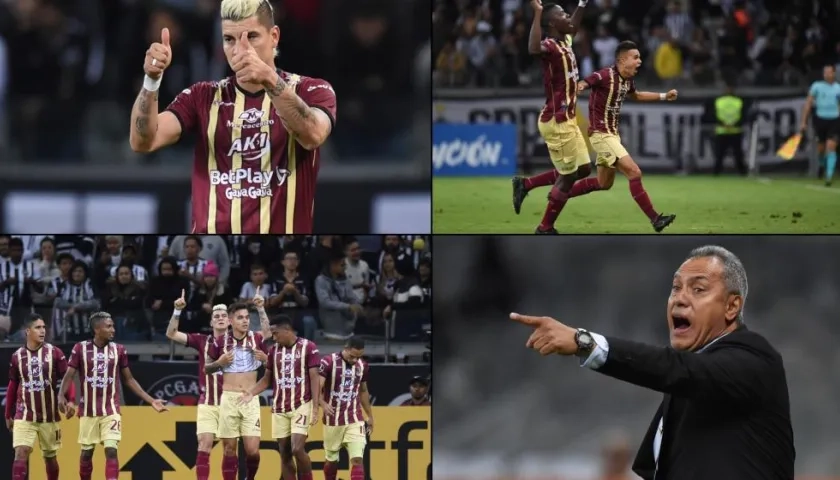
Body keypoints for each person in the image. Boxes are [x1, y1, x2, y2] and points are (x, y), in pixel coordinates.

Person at [510, 245, 794, 480]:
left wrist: (585, 342)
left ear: (732, 306)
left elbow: (676, 369)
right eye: (676, 288)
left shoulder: (754, 359)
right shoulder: (687, 383)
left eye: (698, 289)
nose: (680, 299)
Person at [129, 0, 337, 233]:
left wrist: (269, 80)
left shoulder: (312, 90)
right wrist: (151, 81)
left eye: (252, 37)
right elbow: (143, 141)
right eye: (230, 39)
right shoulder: (202, 96)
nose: (241, 49)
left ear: (274, 36)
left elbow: (313, 134)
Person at [519, 41, 677, 232]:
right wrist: (579, 86)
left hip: (612, 136)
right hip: (601, 135)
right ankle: (655, 219)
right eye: (635, 57)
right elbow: (586, 82)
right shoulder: (605, 75)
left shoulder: (627, 81)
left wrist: (664, 96)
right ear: (622, 60)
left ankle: (561, 193)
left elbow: (636, 95)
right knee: (634, 172)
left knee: (604, 183)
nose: (639, 61)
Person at [58, 312, 168, 480]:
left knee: (111, 450)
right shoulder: (80, 348)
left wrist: (151, 400)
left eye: (113, 326)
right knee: (87, 453)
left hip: (111, 410)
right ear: (97, 329)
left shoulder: (119, 350)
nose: (113, 330)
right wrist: (61, 396)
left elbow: (129, 379)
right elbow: (69, 375)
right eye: (109, 326)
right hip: (88, 411)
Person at [511, 0, 589, 234]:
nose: (568, 17)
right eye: (563, 15)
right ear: (553, 23)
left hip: (568, 118)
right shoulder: (550, 46)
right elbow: (533, 49)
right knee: (568, 175)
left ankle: (526, 184)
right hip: (557, 120)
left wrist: (582, 3)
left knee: (584, 169)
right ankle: (544, 227)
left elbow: (574, 26)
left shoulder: (565, 41)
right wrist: (537, 13)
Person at [240, 315, 320, 480]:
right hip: (279, 408)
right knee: (285, 454)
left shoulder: (308, 347)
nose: (274, 338)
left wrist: (315, 407)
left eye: (275, 333)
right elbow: (266, 379)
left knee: (297, 449)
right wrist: (251, 392)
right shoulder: (273, 351)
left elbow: (314, 378)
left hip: (301, 404)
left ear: (287, 330)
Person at [204, 292, 271, 480]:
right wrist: (219, 362)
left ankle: (250, 477)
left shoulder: (256, 339)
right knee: (229, 450)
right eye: (240, 318)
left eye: (247, 318)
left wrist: (260, 308)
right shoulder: (219, 342)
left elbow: (268, 333)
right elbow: (206, 369)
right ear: (231, 321)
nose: (245, 321)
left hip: (250, 398)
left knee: (253, 451)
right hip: (229, 398)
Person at [165, 292, 230, 480]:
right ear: (211, 322)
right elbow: (171, 333)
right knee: (204, 444)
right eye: (216, 316)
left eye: (223, 316)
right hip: (207, 402)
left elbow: (266, 335)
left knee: (229, 448)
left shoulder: (241, 343)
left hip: (230, 403)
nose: (220, 318)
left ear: (229, 322)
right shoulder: (202, 340)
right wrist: (177, 311)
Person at [5, 314, 77, 480]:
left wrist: (71, 400)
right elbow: (13, 385)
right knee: (21, 452)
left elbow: (67, 379)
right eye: (38, 327)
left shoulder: (55, 353)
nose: (43, 330)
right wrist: (8, 413)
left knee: (50, 458)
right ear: (27, 331)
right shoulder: (17, 356)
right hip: (24, 415)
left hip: (49, 416)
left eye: (44, 327)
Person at [319, 336, 374, 480]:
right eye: (352, 356)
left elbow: (363, 391)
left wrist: (370, 416)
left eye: (358, 357)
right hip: (333, 420)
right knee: (331, 461)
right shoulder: (328, 362)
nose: (355, 360)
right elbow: (316, 388)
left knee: (357, 459)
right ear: (346, 348)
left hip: (354, 418)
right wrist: (323, 404)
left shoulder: (363, 366)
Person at [800, 64, 840, 186]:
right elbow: (808, 103)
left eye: (829, 72)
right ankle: (822, 165)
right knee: (821, 148)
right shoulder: (817, 86)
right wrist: (803, 121)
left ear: (834, 73)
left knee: (831, 147)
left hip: (834, 120)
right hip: (820, 119)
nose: (827, 75)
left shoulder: (838, 88)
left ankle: (829, 176)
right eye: (825, 72)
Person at [710, 82, 748, 176]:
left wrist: (723, 124)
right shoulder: (738, 101)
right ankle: (742, 173)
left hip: (723, 130)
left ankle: (716, 173)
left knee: (720, 154)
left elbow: (714, 115)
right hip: (735, 130)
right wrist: (734, 124)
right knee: (737, 154)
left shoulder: (719, 101)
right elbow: (743, 116)